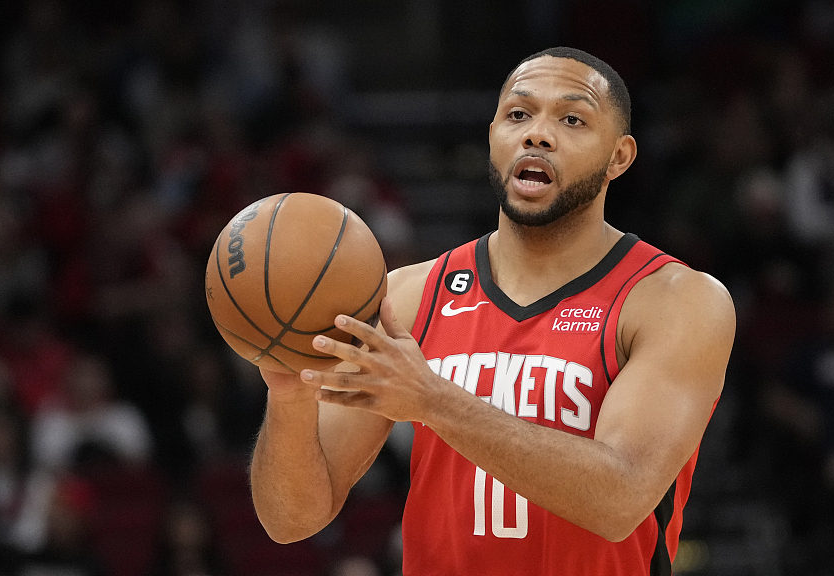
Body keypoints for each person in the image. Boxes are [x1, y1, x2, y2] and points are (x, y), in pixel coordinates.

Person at [249, 47, 735, 575]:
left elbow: (618, 497)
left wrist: (434, 400)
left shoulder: (676, 300)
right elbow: (291, 520)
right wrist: (290, 397)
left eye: (572, 119)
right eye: (518, 115)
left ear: (619, 157)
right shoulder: (411, 296)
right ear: (492, 136)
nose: (537, 134)